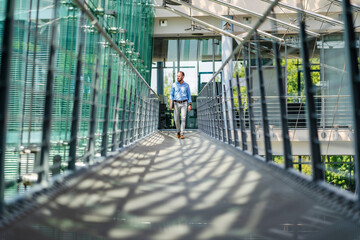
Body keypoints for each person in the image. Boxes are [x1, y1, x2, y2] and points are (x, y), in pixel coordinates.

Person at [169, 71, 192, 139]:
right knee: (176, 119)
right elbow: (171, 95)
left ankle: (182, 133)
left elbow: (189, 95)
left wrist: (190, 104)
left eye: (179, 76)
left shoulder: (186, 85)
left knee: (183, 118)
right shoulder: (174, 85)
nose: (177, 77)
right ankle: (178, 131)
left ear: (183, 77)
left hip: (184, 103)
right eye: (177, 76)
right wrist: (171, 104)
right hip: (176, 103)